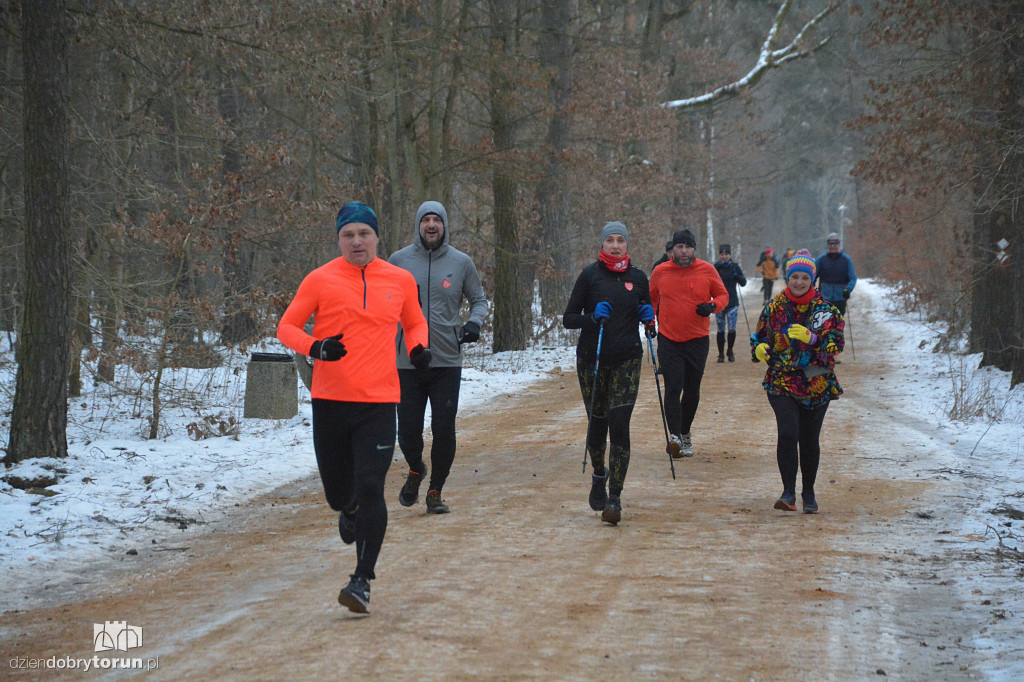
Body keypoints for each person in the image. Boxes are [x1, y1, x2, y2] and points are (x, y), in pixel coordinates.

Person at [277, 201, 431, 614]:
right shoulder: (320, 279)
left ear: (377, 237)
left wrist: (417, 349)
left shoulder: (399, 279)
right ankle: (347, 510)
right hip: (330, 401)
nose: (357, 241)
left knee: (371, 486)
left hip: (380, 402)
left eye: (364, 233)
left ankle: (361, 580)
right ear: (339, 239)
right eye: (349, 235)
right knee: (338, 494)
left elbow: (414, 322)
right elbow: (286, 327)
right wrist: (316, 347)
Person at [389, 201, 488, 514]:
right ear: (418, 225)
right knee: (407, 430)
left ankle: (435, 491)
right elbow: (384, 306)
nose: (431, 225)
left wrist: (474, 323)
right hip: (407, 361)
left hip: (446, 360)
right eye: (426, 220)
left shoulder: (461, 262)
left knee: (444, 428)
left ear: (444, 225)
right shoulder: (398, 261)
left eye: (437, 220)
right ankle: (417, 469)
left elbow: (479, 301)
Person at [563, 221, 651, 525]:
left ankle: (615, 497)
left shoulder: (638, 278)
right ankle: (599, 473)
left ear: (627, 245)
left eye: (621, 240)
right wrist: (590, 317)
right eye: (610, 240)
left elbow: (649, 318)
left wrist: (649, 318)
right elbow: (568, 318)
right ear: (602, 244)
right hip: (593, 360)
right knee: (597, 425)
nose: (616, 245)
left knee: (619, 424)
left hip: (627, 360)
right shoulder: (590, 276)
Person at [750, 249, 844, 514]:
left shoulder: (826, 311)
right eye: (795, 277)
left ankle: (809, 492)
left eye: (804, 277)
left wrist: (813, 339)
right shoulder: (774, 306)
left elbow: (836, 344)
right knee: (788, 433)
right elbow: (759, 337)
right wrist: (759, 349)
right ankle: (788, 492)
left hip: (817, 384)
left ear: (812, 280)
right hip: (781, 381)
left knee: (809, 439)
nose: (799, 282)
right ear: (788, 277)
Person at [650, 228, 730, 458]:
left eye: (688, 247)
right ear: (672, 249)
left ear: (694, 248)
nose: (684, 251)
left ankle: (685, 433)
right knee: (673, 387)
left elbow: (723, 295)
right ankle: (674, 437)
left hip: (697, 339)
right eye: (679, 247)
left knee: (692, 390)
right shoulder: (660, 272)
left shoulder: (707, 269)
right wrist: (649, 321)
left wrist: (712, 306)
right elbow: (650, 299)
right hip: (669, 338)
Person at [712, 243, 747, 362]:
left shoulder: (735, 267)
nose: (724, 256)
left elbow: (743, 283)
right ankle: (721, 353)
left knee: (732, 328)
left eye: (726, 254)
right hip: (719, 302)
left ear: (730, 255)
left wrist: (737, 276)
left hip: (732, 302)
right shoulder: (715, 267)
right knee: (720, 329)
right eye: (722, 254)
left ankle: (730, 350)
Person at [815, 232, 857, 316]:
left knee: (838, 324)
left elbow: (853, 278)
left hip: (840, 298)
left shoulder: (846, 260)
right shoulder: (821, 259)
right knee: (825, 324)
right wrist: (812, 290)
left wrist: (848, 289)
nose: (833, 246)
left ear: (839, 245)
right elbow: (812, 276)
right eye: (830, 244)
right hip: (824, 298)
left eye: (835, 243)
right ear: (828, 245)